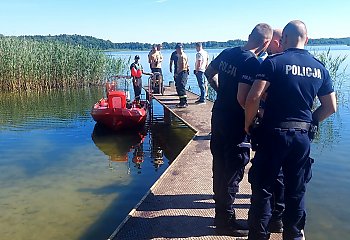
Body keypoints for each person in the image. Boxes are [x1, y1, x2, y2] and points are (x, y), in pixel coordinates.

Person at [245, 20, 337, 240]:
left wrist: (248, 123)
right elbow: (331, 107)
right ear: (307, 39)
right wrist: (310, 122)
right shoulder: (319, 67)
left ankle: (259, 235)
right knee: (296, 191)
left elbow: (253, 97)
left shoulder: (273, 62)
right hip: (301, 139)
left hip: (273, 135)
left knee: (263, 188)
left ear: (284, 38)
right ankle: (294, 235)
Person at [204, 23, 273, 237]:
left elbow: (208, 72)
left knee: (220, 166)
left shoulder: (227, 53)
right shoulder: (252, 63)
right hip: (236, 121)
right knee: (233, 170)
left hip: (218, 117)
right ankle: (226, 222)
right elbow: (247, 99)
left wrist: (220, 90)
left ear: (250, 36)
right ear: (266, 42)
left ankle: (220, 216)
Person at [257, 28, 286, 233]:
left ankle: (273, 219)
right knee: (278, 176)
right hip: (281, 129)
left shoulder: (272, 63)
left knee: (273, 176)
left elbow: (253, 96)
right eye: (281, 39)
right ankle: (277, 219)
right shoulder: (268, 62)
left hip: (272, 126)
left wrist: (252, 118)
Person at [174, 43, 190, 108]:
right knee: (179, 87)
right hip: (182, 72)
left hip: (182, 72)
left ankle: (184, 102)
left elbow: (183, 67)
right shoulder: (181, 55)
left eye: (178, 49)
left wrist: (177, 73)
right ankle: (182, 101)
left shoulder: (182, 56)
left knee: (181, 87)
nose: (177, 50)